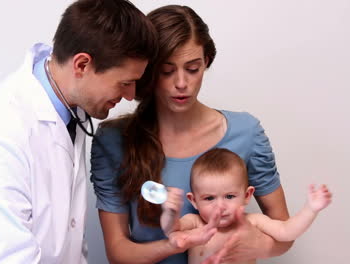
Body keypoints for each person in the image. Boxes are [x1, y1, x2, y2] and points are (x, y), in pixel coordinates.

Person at [0, 0, 157, 263]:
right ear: (82, 65)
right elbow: (6, 257)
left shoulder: (72, 107)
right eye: (126, 82)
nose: (131, 95)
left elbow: (69, 236)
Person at [91, 4, 294, 264]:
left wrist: (256, 246)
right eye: (166, 71)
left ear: (206, 62)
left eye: (192, 68)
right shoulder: (113, 140)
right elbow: (118, 252)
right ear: (148, 71)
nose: (181, 83)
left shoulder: (247, 133)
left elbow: (283, 235)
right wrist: (174, 244)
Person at [161, 148, 332, 264]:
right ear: (193, 201)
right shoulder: (195, 222)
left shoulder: (254, 221)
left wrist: (310, 209)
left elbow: (287, 232)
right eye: (209, 198)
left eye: (229, 196)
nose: (220, 206)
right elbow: (171, 229)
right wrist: (170, 212)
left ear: (247, 195)